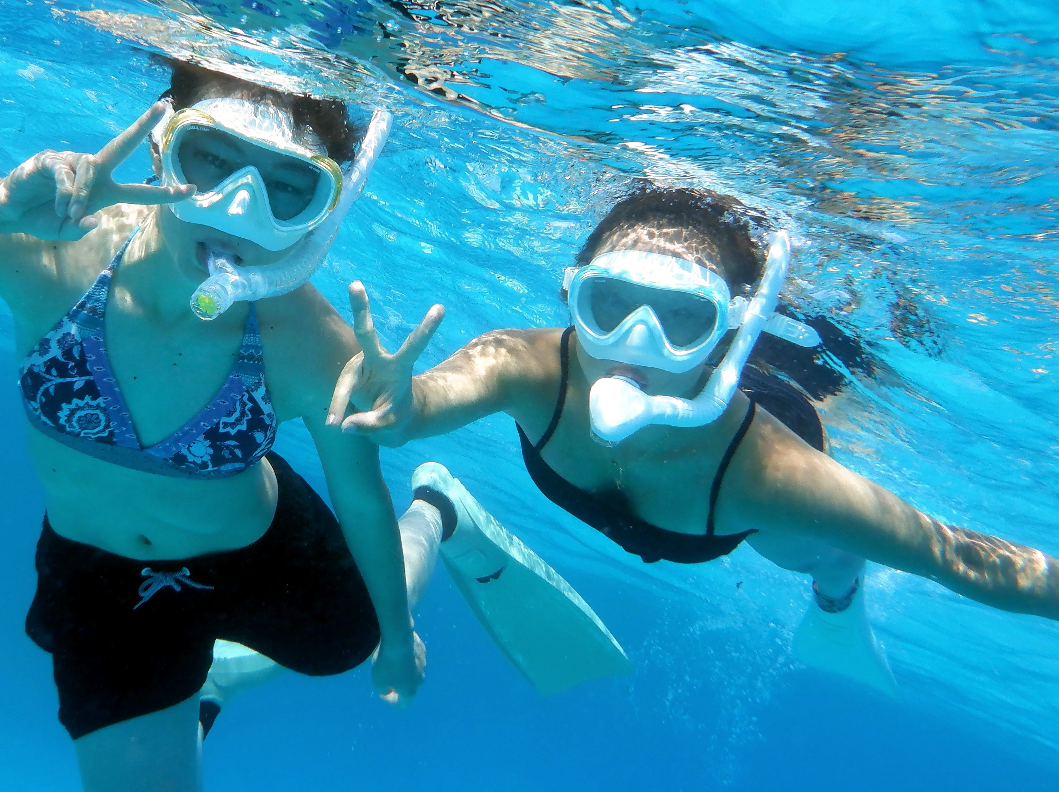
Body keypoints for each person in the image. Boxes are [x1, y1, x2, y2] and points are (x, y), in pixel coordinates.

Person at [0, 62, 430, 792]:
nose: (237, 207)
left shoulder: (311, 343)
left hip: (264, 556)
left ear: (322, 211)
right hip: (104, 582)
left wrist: (397, 635)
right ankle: (197, 688)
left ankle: (435, 512)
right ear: (161, 145)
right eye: (209, 158)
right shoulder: (51, 250)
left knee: (354, 642)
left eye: (288, 187)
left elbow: (362, 499)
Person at [328, 184, 1059, 695]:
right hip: (707, 436)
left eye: (681, 319)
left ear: (729, 334)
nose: (634, 345)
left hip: (765, 415)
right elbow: (423, 405)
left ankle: (838, 601)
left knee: (828, 548)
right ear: (572, 296)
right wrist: (401, 404)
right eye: (609, 305)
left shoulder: (766, 472)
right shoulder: (524, 367)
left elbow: (950, 557)